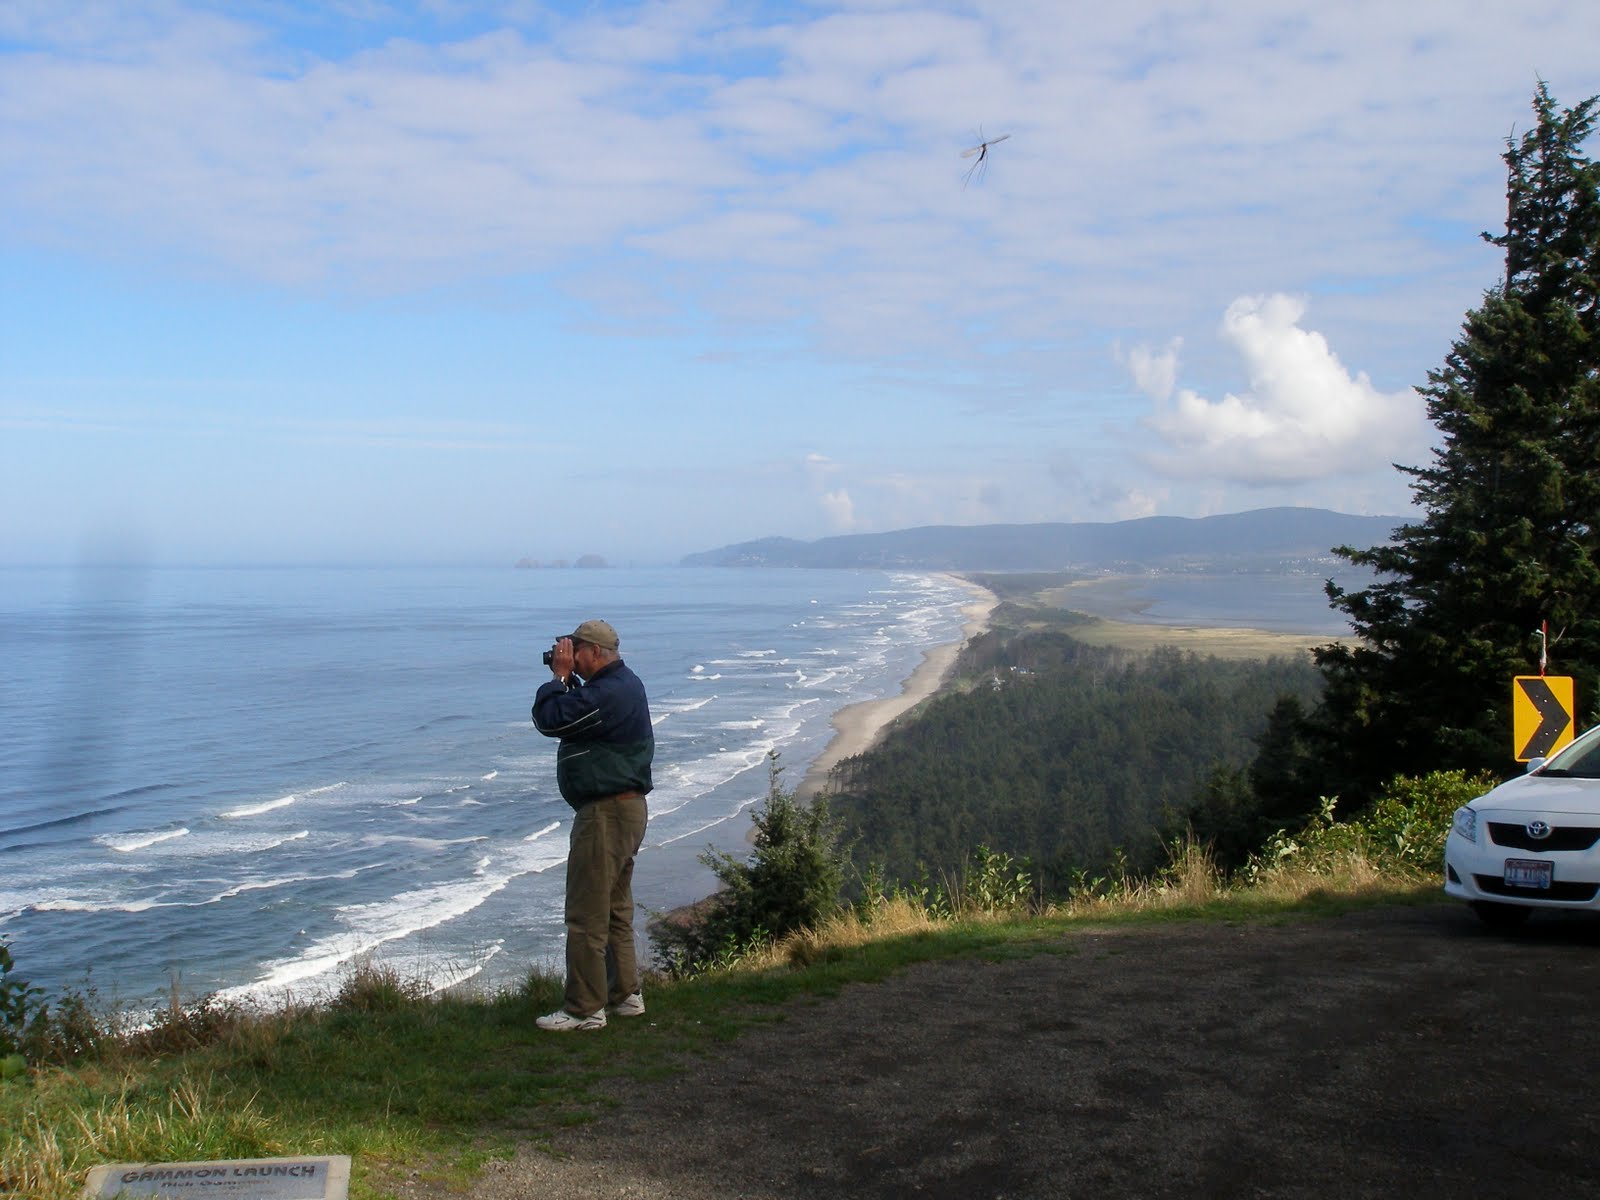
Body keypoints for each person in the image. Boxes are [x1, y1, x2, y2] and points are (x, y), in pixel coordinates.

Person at [531, 618, 654, 1032]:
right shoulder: (620, 687)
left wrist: (559, 679)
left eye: (575, 650)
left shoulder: (612, 691)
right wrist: (570, 681)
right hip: (623, 810)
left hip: (606, 814)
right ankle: (625, 996)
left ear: (595, 653)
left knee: (586, 913)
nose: (569, 657)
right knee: (615, 908)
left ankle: (584, 1009)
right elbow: (581, 712)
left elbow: (553, 720)